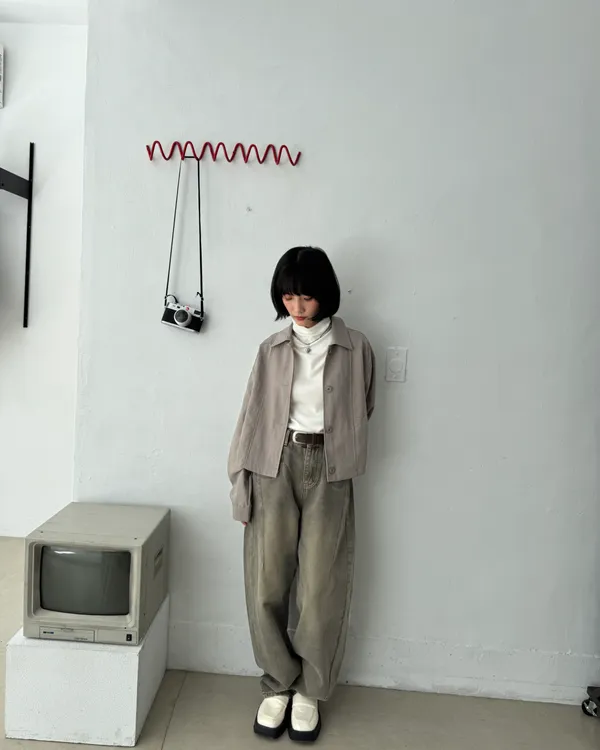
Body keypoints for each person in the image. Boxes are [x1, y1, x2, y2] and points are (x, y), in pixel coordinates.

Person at [228, 246, 376, 743]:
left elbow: (365, 405)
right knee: (266, 581)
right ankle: (277, 682)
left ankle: (309, 689)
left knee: (321, 585)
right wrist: (240, 484)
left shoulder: (356, 348)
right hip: (273, 466)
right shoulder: (270, 349)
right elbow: (250, 419)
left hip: (331, 470)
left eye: (306, 297)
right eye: (288, 297)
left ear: (324, 295)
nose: (296, 307)